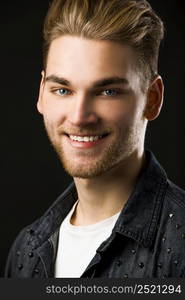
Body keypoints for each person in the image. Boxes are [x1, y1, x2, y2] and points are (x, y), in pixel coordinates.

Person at [5, 0, 185, 278]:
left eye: (108, 91)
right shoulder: (24, 249)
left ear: (153, 98)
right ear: (41, 93)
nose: (79, 117)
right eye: (63, 90)